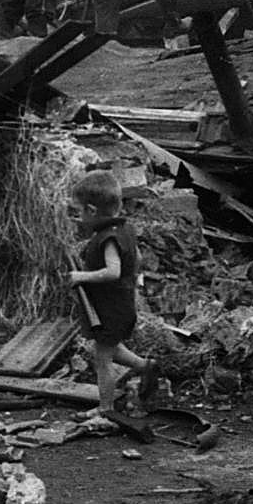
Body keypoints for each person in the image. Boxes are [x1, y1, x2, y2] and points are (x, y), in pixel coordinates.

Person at [67, 170, 159, 411]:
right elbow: (137, 257)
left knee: (103, 359)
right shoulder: (125, 230)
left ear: (92, 211)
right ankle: (145, 366)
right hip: (120, 303)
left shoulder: (108, 238)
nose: (78, 217)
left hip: (112, 308)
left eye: (79, 212)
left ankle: (105, 409)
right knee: (112, 346)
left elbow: (113, 272)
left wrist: (81, 276)